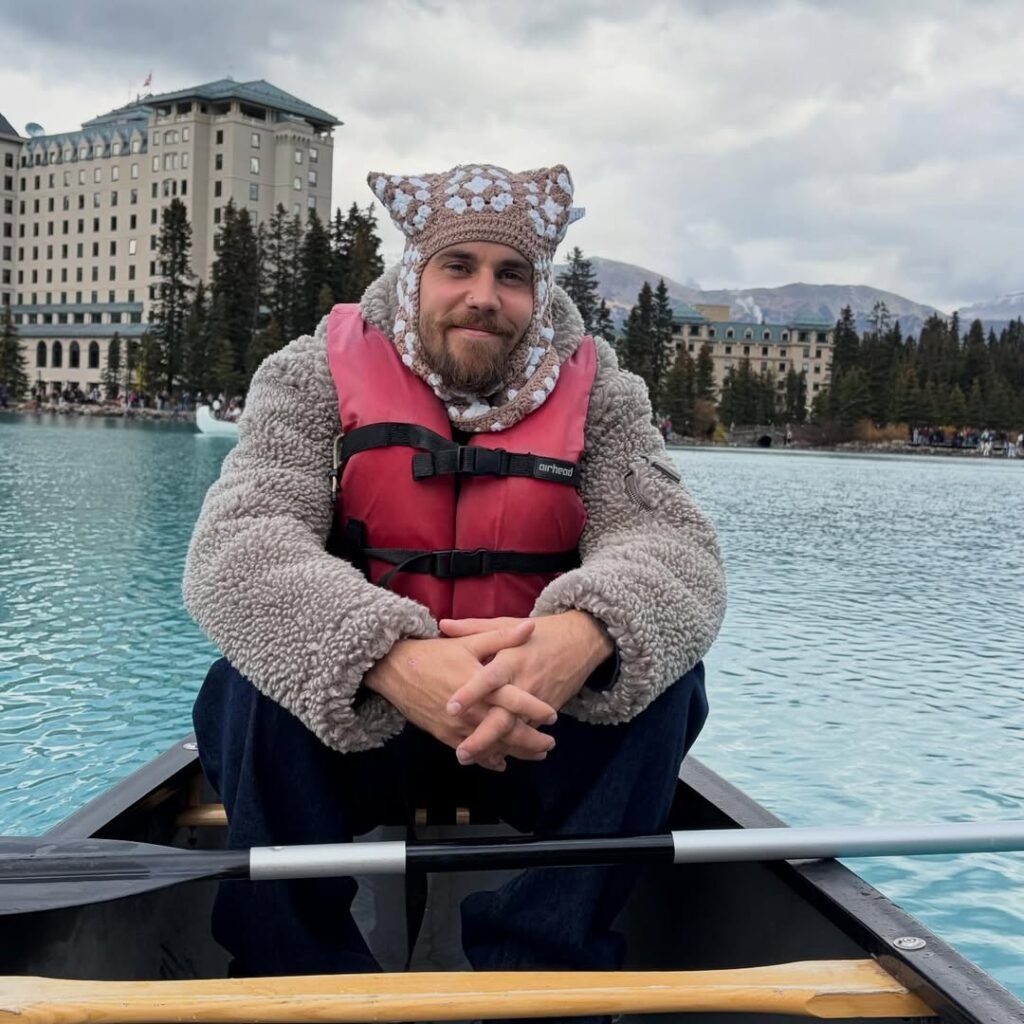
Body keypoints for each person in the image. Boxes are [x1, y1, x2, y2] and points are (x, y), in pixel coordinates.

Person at [183, 162, 726, 994]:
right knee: (244, 685)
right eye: (458, 267)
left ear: (538, 289)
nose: (484, 296)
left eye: (512, 275)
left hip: (535, 725)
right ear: (415, 272)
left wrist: (579, 635)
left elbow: (674, 546)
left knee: (669, 681)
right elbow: (238, 546)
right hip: (360, 730)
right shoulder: (311, 372)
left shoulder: (604, 391)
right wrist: (390, 657)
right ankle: (294, 972)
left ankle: (543, 969)